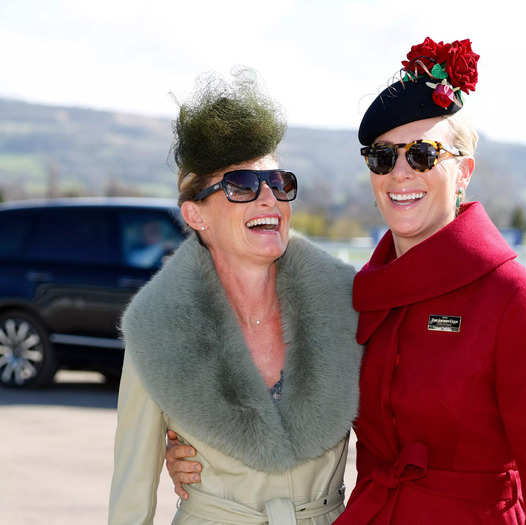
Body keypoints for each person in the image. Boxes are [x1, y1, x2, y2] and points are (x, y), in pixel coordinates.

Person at [167, 38, 526, 524]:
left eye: (423, 155)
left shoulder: (517, 302)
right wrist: (196, 454)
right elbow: (295, 407)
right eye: (383, 157)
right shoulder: (362, 296)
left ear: (463, 172)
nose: (400, 174)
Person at [108, 72, 363, 525]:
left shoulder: (346, 302)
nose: (268, 198)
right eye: (242, 185)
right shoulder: (158, 328)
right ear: (195, 215)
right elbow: (130, 494)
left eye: (279, 183)